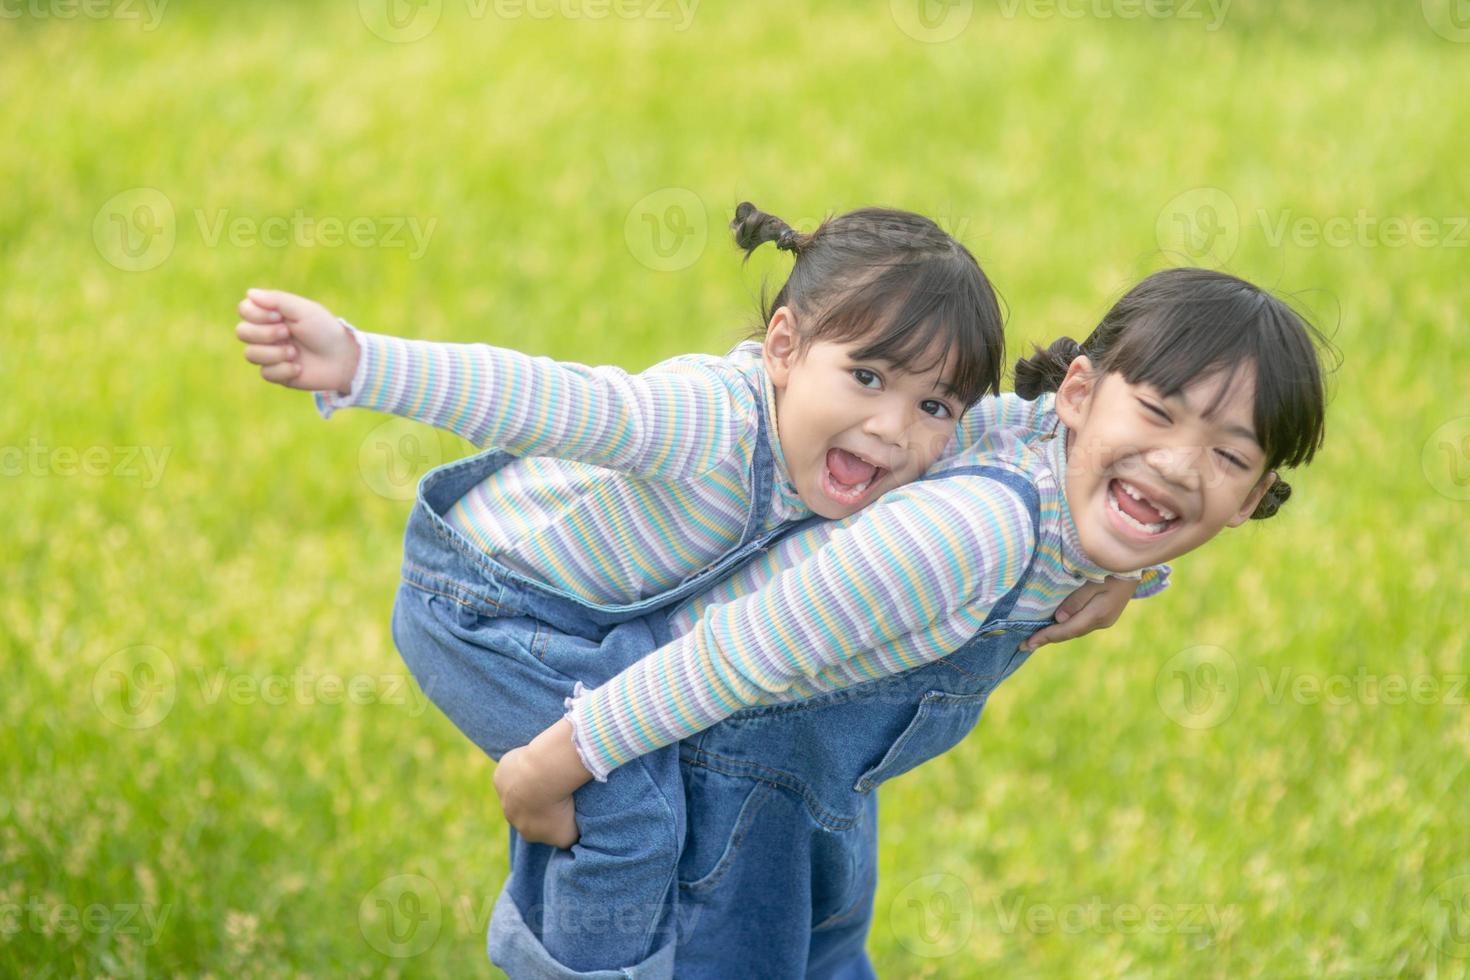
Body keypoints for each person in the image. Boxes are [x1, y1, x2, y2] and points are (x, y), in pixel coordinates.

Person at [233, 202, 1151, 973]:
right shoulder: (706, 420)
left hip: (599, 625)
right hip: (483, 604)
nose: (891, 427)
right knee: (626, 799)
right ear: (784, 347)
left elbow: (1058, 444)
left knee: (642, 762)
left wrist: (1131, 567)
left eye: (932, 406)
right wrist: (362, 363)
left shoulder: (907, 449)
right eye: (865, 377)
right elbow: (550, 399)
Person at [494, 266, 1328, 977]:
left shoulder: (1051, 466)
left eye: (1228, 456)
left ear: (1252, 500)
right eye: (1156, 412)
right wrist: (553, 765)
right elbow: (733, 651)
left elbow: (1118, 483)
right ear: (1078, 394)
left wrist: (1133, 574)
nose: (1180, 464)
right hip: (714, 782)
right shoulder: (970, 533)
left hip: (817, 805)